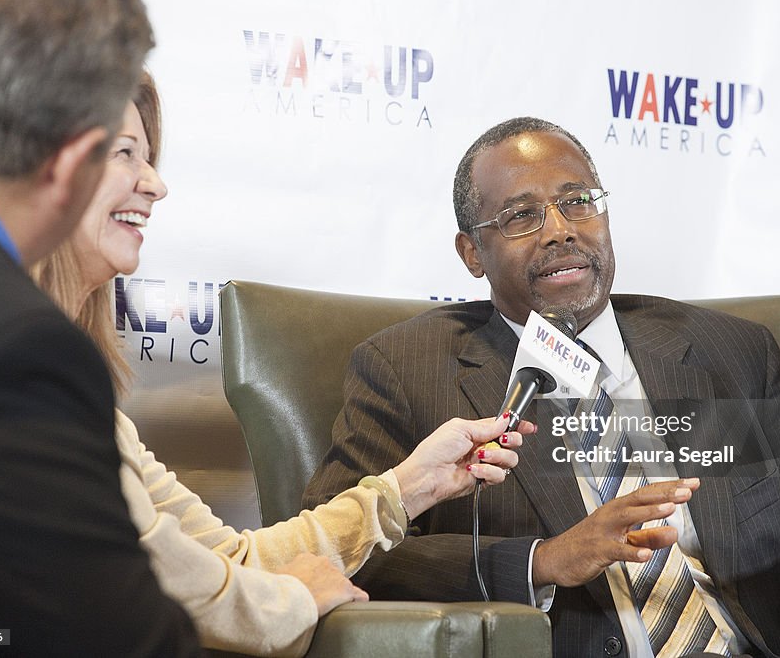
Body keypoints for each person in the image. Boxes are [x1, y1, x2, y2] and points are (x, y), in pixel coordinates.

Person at [304, 117, 780, 657]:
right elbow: (337, 553)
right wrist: (544, 560)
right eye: (521, 216)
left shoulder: (734, 352)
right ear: (472, 253)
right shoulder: (404, 370)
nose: (559, 229)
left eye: (578, 201)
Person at [32, 73, 528, 657]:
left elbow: (230, 561)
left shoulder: (76, 392)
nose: (156, 184)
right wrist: (292, 601)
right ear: (37, 168)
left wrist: (410, 485)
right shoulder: (18, 370)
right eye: (124, 154)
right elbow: (150, 580)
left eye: (149, 157)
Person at [0, 0, 202, 655]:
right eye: (123, 152)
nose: (155, 186)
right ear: (71, 162)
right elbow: (114, 638)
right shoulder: (17, 351)